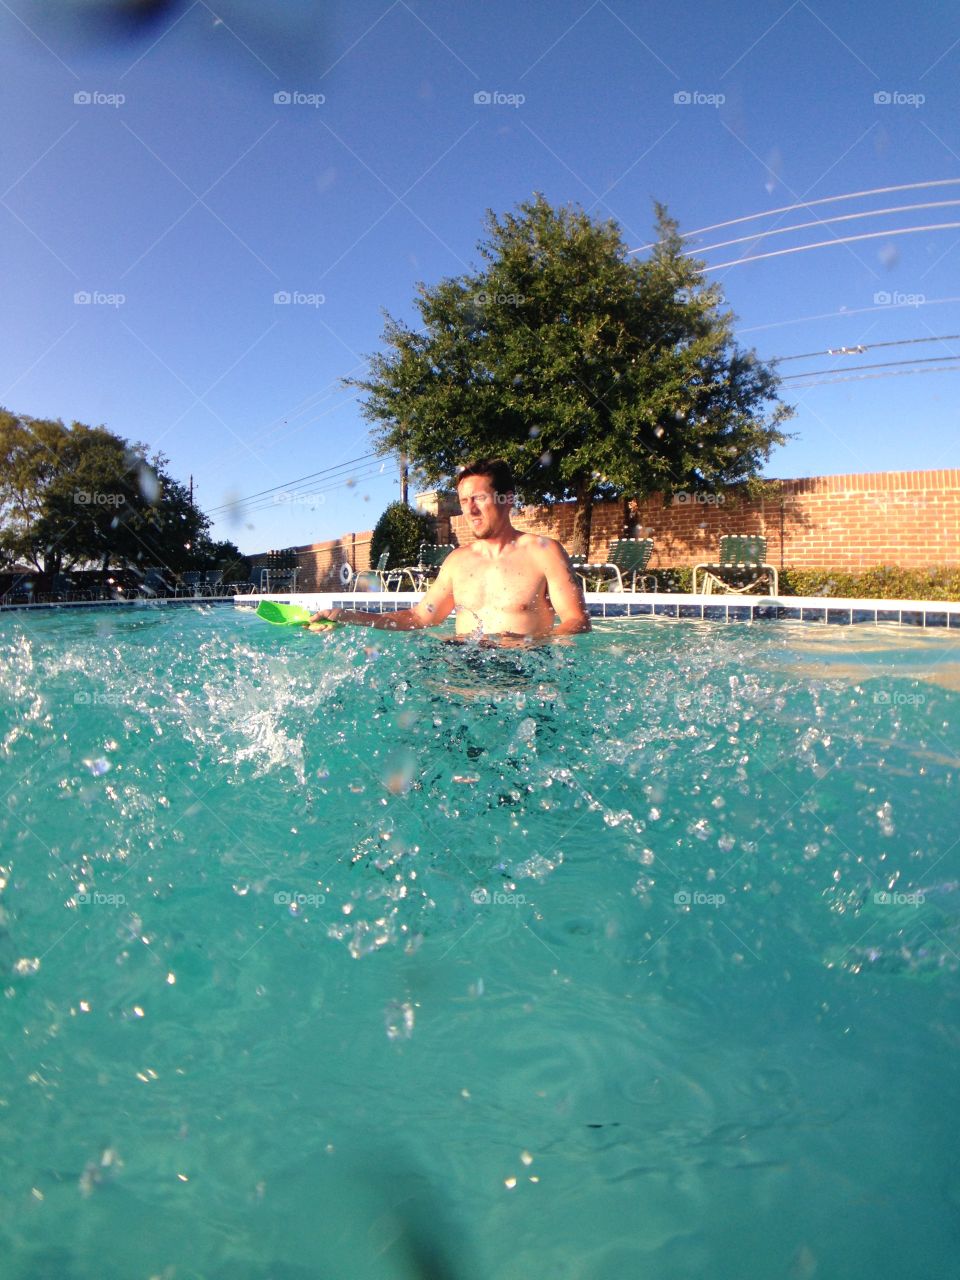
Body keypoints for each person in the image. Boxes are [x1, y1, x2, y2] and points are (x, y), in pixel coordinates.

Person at [307, 458, 591, 644]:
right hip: (462, 669)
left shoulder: (544, 552)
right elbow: (420, 617)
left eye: (479, 498)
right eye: (464, 500)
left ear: (507, 500)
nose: (470, 509)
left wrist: (527, 644)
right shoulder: (457, 562)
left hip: (522, 673)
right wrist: (353, 617)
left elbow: (576, 620)